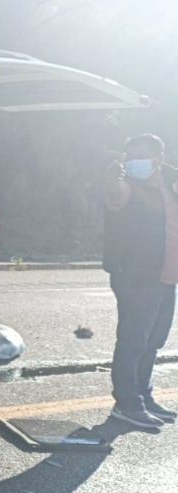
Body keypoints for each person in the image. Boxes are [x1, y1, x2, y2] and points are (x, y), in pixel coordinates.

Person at [103, 133, 178, 428]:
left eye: (141, 156)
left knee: (153, 341)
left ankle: (143, 397)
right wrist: (112, 178)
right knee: (133, 340)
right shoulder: (126, 186)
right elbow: (115, 196)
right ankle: (127, 403)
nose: (135, 162)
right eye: (130, 156)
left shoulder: (170, 184)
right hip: (136, 275)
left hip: (167, 275)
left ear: (157, 159)